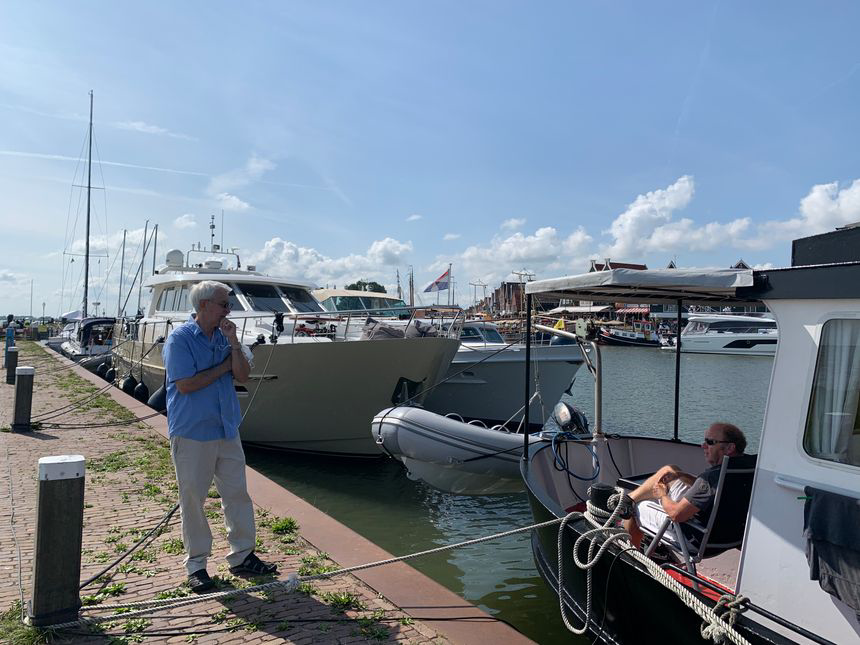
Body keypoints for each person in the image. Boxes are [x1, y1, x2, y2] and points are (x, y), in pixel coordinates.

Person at [163, 280, 277, 593]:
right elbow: (185, 385)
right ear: (204, 306)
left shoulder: (226, 338)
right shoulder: (180, 340)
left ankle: (242, 555)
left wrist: (235, 345)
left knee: (237, 493)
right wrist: (222, 366)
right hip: (193, 431)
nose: (230, 310)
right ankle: (196, 565)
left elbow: (242, 376)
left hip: (227, 428)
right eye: (224, 304)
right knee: (193, 500)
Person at [623, 422, 750, 550]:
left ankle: (633, 557)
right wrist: (682, 476)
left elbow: (676, 514)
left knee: (637, 507)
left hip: (694, 538)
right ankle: (628, 499)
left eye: (710, 442)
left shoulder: (712, 477)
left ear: (730, 448)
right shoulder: (748, 468)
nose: (703, 445)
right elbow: (712, 491)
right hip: (729, 538)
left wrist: (662, 496)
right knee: (670, 469)